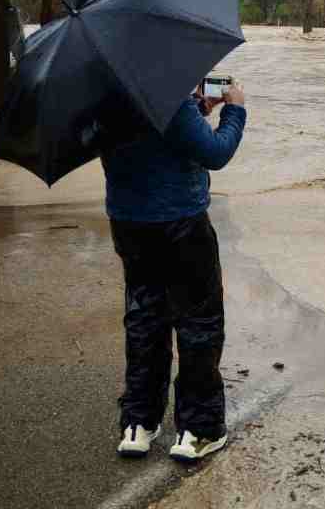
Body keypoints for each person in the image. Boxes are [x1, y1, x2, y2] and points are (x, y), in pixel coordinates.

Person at [100, 79, 247, 462]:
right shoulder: (164, 89)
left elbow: (148, 140)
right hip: (180, 223)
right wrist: (235, 109)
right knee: (199, 324)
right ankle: (199, 429)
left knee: (144, 318)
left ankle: (138, 423)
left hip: (129, 223)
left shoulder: (101, 92)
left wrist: (195, 113)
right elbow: (215, 152)